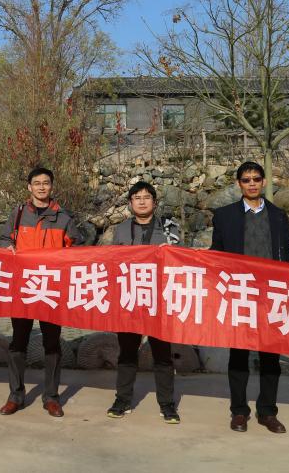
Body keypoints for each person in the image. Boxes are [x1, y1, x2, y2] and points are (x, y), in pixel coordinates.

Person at [211, 160, 289, 435]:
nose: (252, 184)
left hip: (271, 295)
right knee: (238, 356)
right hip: (239, 294)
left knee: (270, 358)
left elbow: (288, 255)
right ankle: (239, 411)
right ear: (239, 184)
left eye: (256, 179)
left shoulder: (278, 216)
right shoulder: (224, 216)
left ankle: (268, 411)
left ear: (264, 181)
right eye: (246, 180)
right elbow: (216, 254)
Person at [0, 167, 85, 418]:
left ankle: (51, 397)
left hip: (52, 289)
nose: (42, 187)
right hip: (23, 287)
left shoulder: (64, 218)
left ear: (52, 187)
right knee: (18, 342)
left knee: (52, 344)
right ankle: (15, 395)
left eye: (46, 183)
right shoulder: (18, 214)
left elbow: (78, 249)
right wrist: (7, 247)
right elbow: (4, 239)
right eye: (37, 183)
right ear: (29, 187)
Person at [107, 181, 181, 424]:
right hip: (129, 299)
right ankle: (122, 400)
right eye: (136, 197)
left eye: (146, 197)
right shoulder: (120, 230)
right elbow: (111, 262)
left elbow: (181, 261)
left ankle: (167, 404)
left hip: (160, 300)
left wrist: (170, 251)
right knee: (127, 352)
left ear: (154, 202)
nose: (141, 201)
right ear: (130, 203)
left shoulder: (169, 228)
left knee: (162, 354)